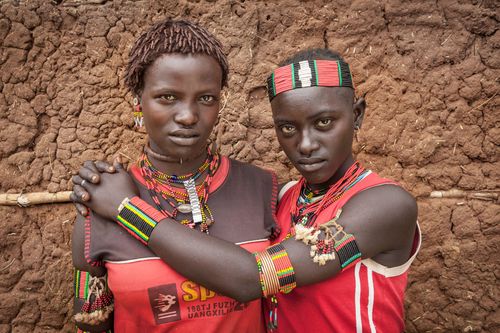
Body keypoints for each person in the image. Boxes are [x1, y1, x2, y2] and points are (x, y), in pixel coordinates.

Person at [74, 48, 421, 332]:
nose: (306, 144)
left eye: (324, 122)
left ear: (357, 115)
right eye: (287, 127)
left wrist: (126, 208)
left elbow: (253, 279)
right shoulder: (280, 199)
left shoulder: (385, 205)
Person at [70, 19, 279, 333]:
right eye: (168, 97)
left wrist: (127, 209)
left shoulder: (264, 191)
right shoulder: (96, 207)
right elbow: (91, 326)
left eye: (206, 98)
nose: (188, 116)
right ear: (138, 102)